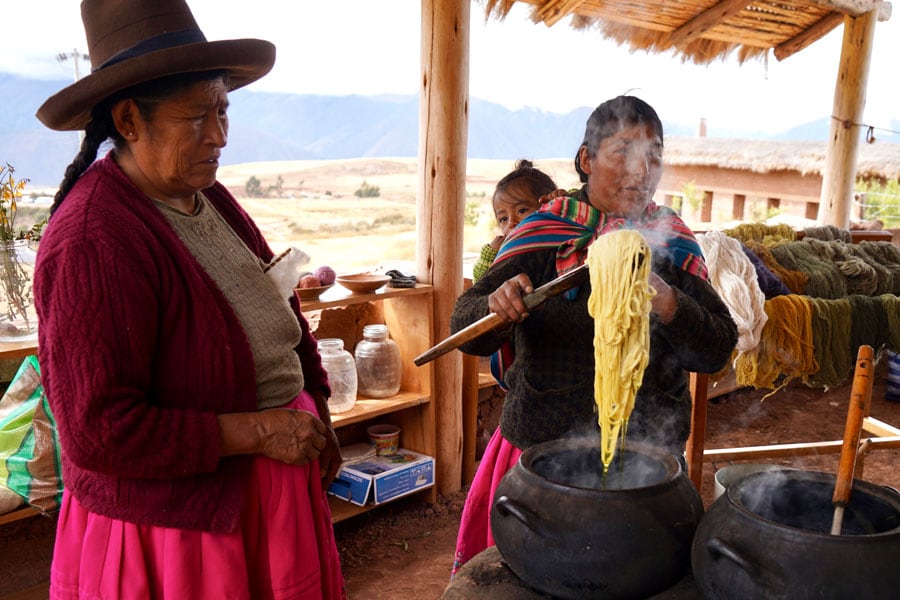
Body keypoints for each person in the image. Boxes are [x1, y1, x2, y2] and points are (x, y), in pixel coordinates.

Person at [33, 1, 345, 598]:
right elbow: (98, 431)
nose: (220, 135)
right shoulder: (95, 240)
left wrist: (315, 409)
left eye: (223, 109)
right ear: (128, 119)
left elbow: (279, 310)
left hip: (267, 495)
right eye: (197, 116)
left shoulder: (210, 199)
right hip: (181, 529)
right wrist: (259, 433)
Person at [449, 95, 738, 575]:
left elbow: (716, 351)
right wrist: (496, 306)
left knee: (636, 577)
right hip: (544, 462)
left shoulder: (671, 240)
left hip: (649, 463)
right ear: (586, 159)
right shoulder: (543, 233)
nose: (640, 169)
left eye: (653, 154)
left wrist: (670, 304)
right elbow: (466, 329)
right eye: (622, 151)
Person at [471, 159, 562, 282]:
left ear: (547, 204)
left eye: (521, 211)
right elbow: (479, 285)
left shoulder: (559, 231)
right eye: (503, 219)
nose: (511, 222)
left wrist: (563, 201)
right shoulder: (508, 252)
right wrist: (490, 257)